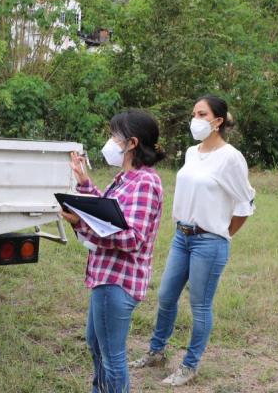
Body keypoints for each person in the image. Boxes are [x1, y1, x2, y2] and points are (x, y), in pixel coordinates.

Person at [130, 95, 256, 386]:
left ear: (218, 121)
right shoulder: (190, 152)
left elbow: (246, 201)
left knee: (199, 306)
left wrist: (222, 231)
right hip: (181, 236)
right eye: (194, 114)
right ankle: (156, 352)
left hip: (209, 242)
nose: (195, 119)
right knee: (165, 296)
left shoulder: (230, 158)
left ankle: (190, 365)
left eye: (202, 114)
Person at [61, 109, 166, 393]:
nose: (110, 142)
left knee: (112, 357)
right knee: (96, 344)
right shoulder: (126, 178)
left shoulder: (145, 182)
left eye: (114, 135)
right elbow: (108, 214)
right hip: (105, 276)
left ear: (131, 143)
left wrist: (81, 221)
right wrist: (85, 185)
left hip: (118, 280)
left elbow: (133, 237)